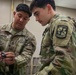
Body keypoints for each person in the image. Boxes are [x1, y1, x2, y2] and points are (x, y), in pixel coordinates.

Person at [30, 0, 76, 75]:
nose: (36, 19)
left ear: (48, 8)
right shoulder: (52, 25)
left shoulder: (61, 23)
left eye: (37, 14)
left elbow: (64, 62)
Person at [0, 3, 36, 75]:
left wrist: (14, 61)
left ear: (28, 20)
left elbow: (26, 57)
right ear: (14, 14)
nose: (21, 20)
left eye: (25, 18)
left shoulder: (30, 38)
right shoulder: (1, 29)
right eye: (19, 16)